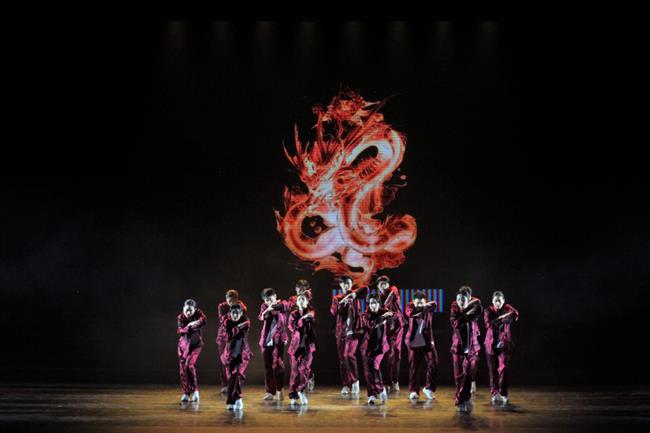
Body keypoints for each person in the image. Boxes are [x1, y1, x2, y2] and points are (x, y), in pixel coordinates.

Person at [330, 275, 367, 396]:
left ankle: (355, 381)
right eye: (344, 283)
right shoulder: (337, 298)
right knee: (342, 360)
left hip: (354, 332)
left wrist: (354, 294)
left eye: (349, 283)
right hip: (341, 332)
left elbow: (365, 289)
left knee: (349, 355)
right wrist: (342, 303)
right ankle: (346, 384)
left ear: (351, 284)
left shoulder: (355, 295)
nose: (346, 285)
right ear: (340, 285)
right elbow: (333, 311)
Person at [484, 291, 520, 406]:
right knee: (492, 370)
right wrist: (503, 318)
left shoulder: (507, 308)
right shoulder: (488, 310)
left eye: (500, 300)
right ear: (492, 301)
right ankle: (494, 392)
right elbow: (489, 324)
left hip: (504, 344)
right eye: (496, 300)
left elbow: (515, 314)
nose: (498, 303)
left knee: (503, 369)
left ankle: (503, 393)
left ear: (503, 301)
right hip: (490, 344)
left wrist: (501, 318)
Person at [450, 289, 483, 412]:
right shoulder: (454, 310)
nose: (460, 302)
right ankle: (460, 399)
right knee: (459, 374)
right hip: (458, 346)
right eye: (458, 299)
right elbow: (456, 322)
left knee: (469, 373)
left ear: (469, 300)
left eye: (463, 299)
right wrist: (466, 312)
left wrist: (465, 312)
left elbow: (478, 304)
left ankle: (466, 397)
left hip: (472, 347)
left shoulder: (476, 308)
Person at [404, 290, 438, 401]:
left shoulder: (429, 307)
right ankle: (413, 390)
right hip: (413, 342)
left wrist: (424, 307)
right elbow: (410, 313)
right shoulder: (410, 307)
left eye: (421, 302)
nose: (419, 304)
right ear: (413, 302)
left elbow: (434, 304)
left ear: (425, 301)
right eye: (417, 302)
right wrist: (423, 308)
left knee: (434, 362)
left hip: (426, 341)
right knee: (414, 367)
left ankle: (428, 388)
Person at [361, 294, 394, 405]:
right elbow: (370, 325)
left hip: (380, 347)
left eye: (375, 303)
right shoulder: (365, 315)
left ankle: (380, 389)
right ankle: (372, 395)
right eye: (371, 303)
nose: (373, 305)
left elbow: (394, 317)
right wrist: (382, 318)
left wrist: (387, 317)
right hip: (367, 348)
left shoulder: (384, 312)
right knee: (368, 372)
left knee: (374, 366)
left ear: (379, 304)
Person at [376, 275, 405, 392]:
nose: (383, 286)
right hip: (386, 327)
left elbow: (390, 299)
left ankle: (395, 381)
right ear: (378, 286)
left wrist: (384, 308)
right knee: (388, 354)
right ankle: (387, 381)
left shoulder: (393, 290)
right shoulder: (378, 297)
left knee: (397, 353)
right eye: (381, 284)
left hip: (397, 326)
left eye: (385, 283)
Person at [258, 288, 288, 401]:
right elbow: (262, 317)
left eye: (270, 299)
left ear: (275, 296)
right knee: (268, 366)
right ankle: (270, 391)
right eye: (266, 300)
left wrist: (274, 307)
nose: (268, 302)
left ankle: (279, 389)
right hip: (266, 340)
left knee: (278, 365)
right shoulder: (264, 307)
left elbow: (284, 307)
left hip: (279, 340)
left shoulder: (282, 304)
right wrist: (268, 310)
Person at [221, 303, 252, 411]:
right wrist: (238, 327)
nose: (235, 315)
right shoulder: (227, 322)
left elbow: (244, 327)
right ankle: (235, 399)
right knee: (231, 377)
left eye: (237, 313)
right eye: (233, 313)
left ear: (241, 313)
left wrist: (238, 327)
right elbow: (231, 333)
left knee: (239, 376)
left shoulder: (246, 321)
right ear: (230, 313)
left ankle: (235, 399)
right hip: (230, 354)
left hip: (242, 354)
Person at [216, 289, 248, 394]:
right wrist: (232, 310)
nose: (230, 302)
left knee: (236, 360)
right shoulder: (222, 306)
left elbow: (243, 314)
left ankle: (236, 382)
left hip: (236, 336)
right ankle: (225, 384)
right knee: (223, 360)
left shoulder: (241, 305)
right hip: (223, 337)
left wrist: (236, 307)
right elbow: (223, 320)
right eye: (228, 300)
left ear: (236, 299)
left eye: (233, 300)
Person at [287, 294, 316, 406]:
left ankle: (301, 390)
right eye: (299, 299)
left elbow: (311, 320)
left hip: (307, 346)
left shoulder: (311, 312)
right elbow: (292, 327)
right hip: (295, 347)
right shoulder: (293, 314)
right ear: (296, 302)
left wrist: (304, 318)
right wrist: (302, 319)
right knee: (294, 373)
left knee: (304, 369)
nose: (301, 300)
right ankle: (293, 395)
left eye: (303, 299)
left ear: (307, 302)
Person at [176, 299, 207, 403]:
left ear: (195, 310)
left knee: (189, 365)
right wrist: (190, 326)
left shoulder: (199, 314)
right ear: (183, 309)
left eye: (191, 310)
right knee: (183, 369)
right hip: (183, 346)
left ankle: (195, 391)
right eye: (186, 310)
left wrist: (192, 324)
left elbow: (203, 320)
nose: (188, 312)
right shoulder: (180, 317)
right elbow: (181, 330)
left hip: (195, 345)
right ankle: (186, 392)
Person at [459, 285, 482, 396]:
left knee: (473, 362)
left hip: (473, 336)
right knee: (463, 364)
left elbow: (478, 302)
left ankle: (472, 381)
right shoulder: (457, 304)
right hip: (462, 338)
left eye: (467, 296)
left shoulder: (475, 304)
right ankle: (462, 387)